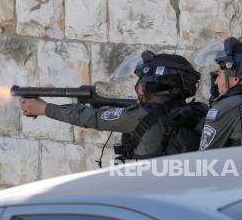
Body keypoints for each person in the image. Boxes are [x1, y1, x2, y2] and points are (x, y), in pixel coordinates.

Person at [21, 50, 207, 161]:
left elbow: (91, 118)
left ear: (153, 85)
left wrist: (44, 108)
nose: (139, 84)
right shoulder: (195, 111)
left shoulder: (140, 115)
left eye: (142, 79)